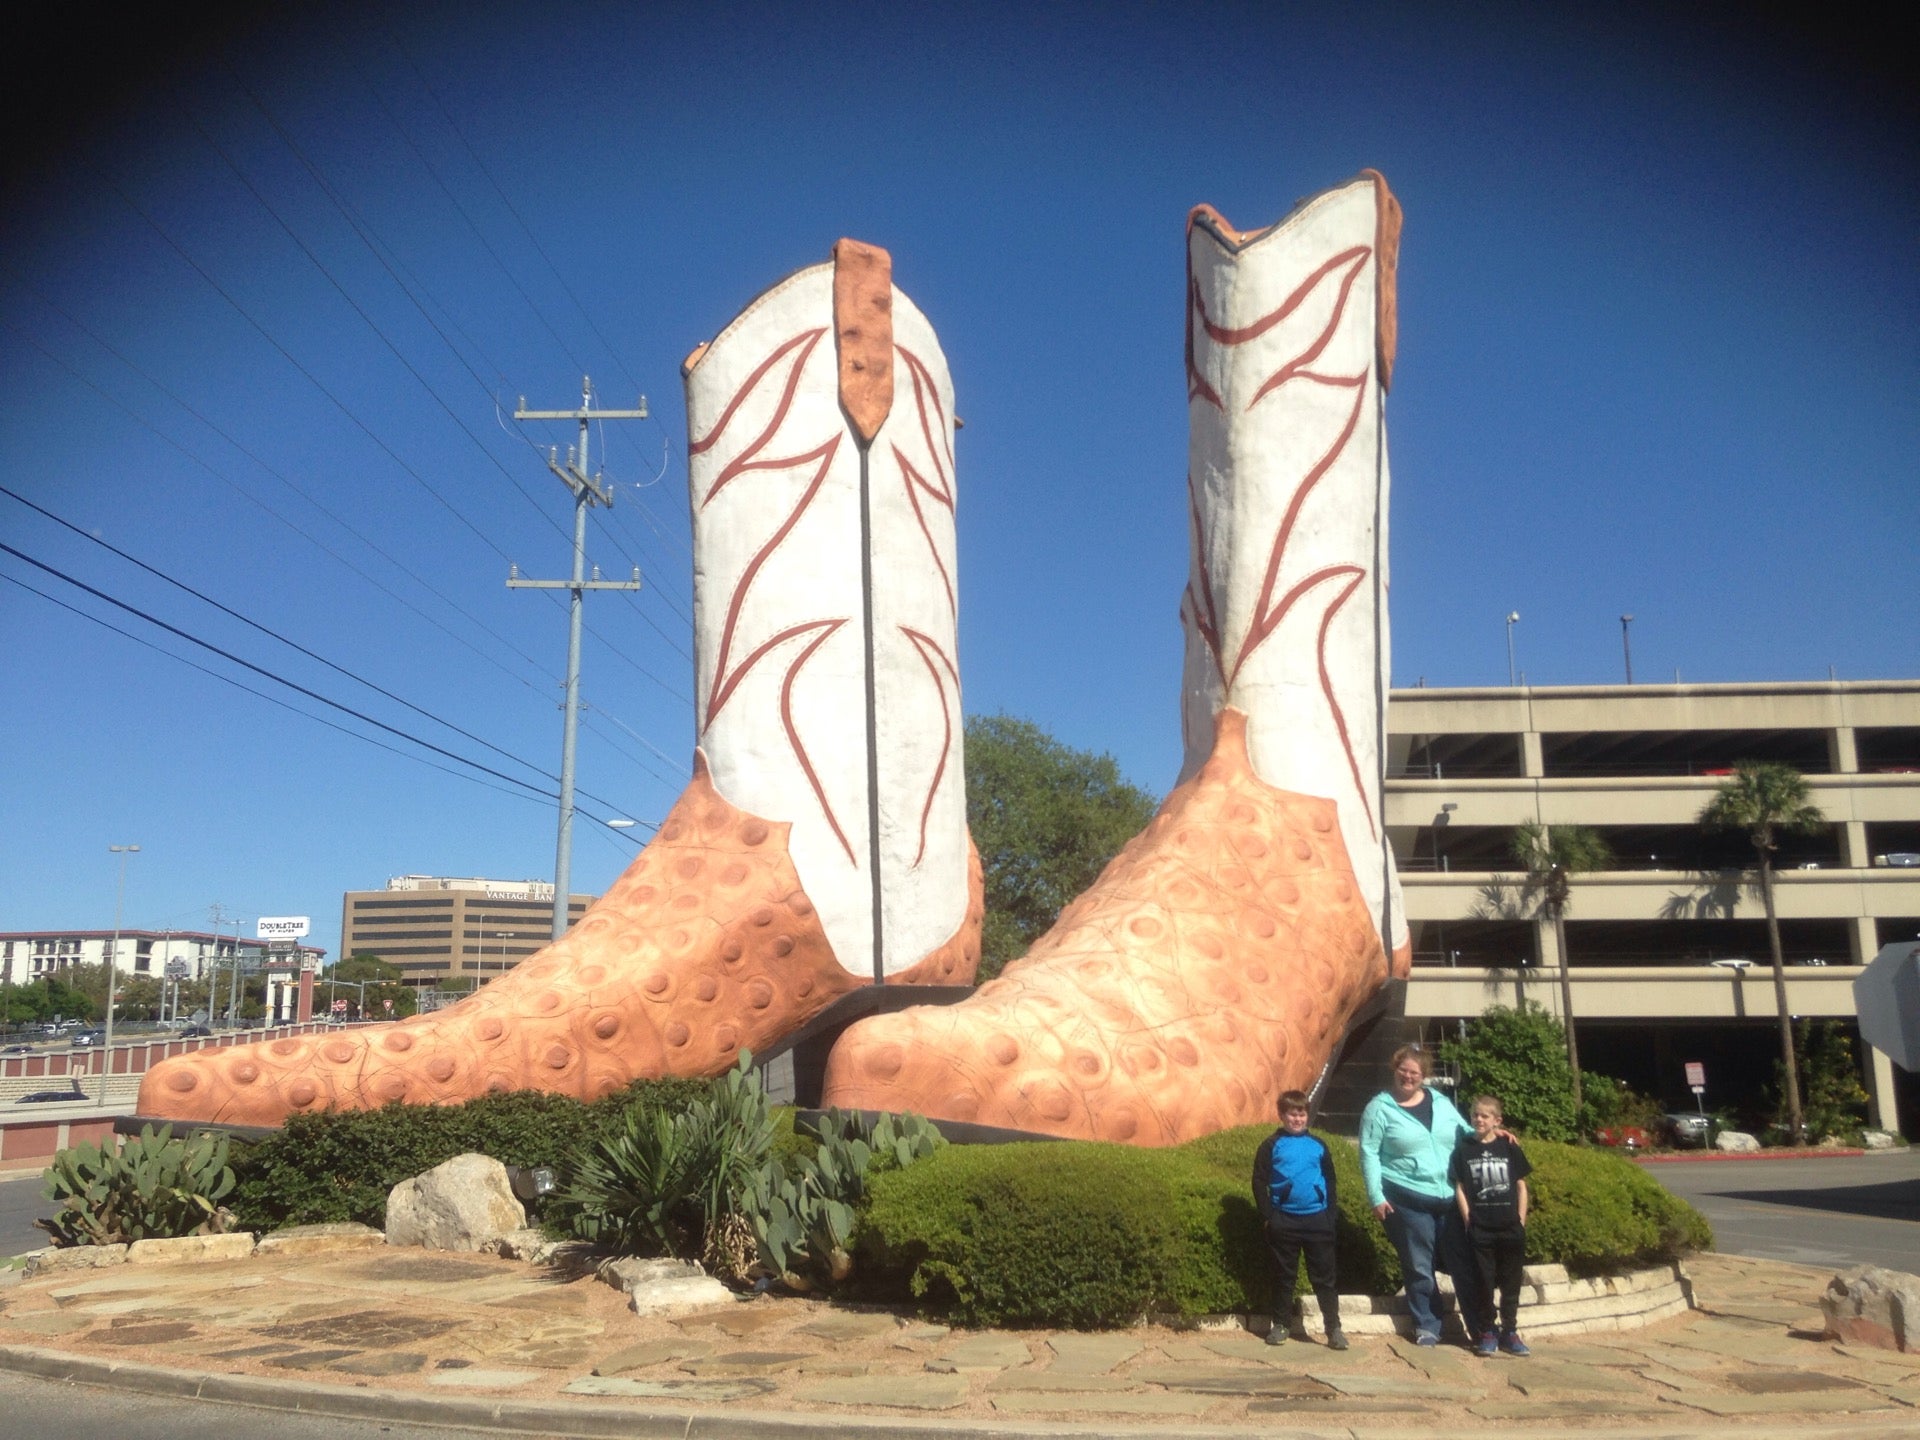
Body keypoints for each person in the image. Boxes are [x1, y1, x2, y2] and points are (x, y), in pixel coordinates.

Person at [1358, 1044, 1478, 1345]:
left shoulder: (1439, 1101)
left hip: (1449, 1197)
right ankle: (1427, 1324)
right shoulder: (1379, 1108)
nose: (1408, 1076)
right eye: (1403, 1070)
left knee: (1462, 1262)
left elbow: (1465, 1132)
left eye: (1415, 1072)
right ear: (1394, 1070)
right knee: (1419, 1264)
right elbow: (1369, 1152)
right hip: (1405, 1196)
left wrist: (1493, 1138)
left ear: (1424, 1076)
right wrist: (1375, 1196)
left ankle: (1480, 1328)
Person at [1252, 1090, 1347, 1349]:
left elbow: (1330, 1179)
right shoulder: (1271, 1145)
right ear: (1282, 1116)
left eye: (1302, 1113)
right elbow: (1259, 1181)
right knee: (1284, 1276)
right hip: (1284, 1221)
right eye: (1292, 1114)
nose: (1297, 1119)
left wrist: (1330, 1214)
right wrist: (1269, 1215)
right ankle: (1281, 1325)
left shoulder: (1318, 1145)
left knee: (1325, 1278)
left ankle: (1333, 1328)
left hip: (1317, 1220)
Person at [1451, 1093, 1534, 1357]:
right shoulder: (1464, 1149)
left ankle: (1510, 1331)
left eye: (1485, 1116)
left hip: (1510, 1227)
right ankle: (1488, 1330)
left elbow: (1521, 1186)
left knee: (1511, 1283)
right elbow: (1460, 1187)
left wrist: (1521, 1220)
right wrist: (1468, 1220)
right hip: (1480, 1229)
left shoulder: (1509, 1147)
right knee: (1483, 1282)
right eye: (1476, 1114)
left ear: (1497, 1120)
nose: (1479, 1119)